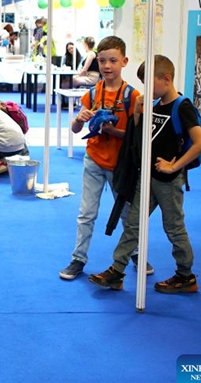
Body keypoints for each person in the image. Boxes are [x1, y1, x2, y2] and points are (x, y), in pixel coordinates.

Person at [89, 56, 201, 293]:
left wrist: (174, 167)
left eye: (149, 83)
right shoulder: (153, 105)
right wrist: (137, 115)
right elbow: (142, 140)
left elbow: (200, 143)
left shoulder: (182, 106)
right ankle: (117, 270)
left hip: (168, 181)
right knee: (133, 224)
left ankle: (186, 275)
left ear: (167, 79)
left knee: (173, 227)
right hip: (147, 177)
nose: (146, 90)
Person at [59, 36, 148, 280]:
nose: (107, 66)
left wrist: (112, 130)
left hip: (121, 165)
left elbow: (135, 137)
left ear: (124, 61)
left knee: (126, 213)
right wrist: (80, 118)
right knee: (86, 212)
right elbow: (76, 130)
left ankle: (136, 252)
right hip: (94, 160)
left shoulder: (134, 96)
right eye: (102, 60)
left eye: (113, 61)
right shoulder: (91, 94)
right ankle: (78, 258)